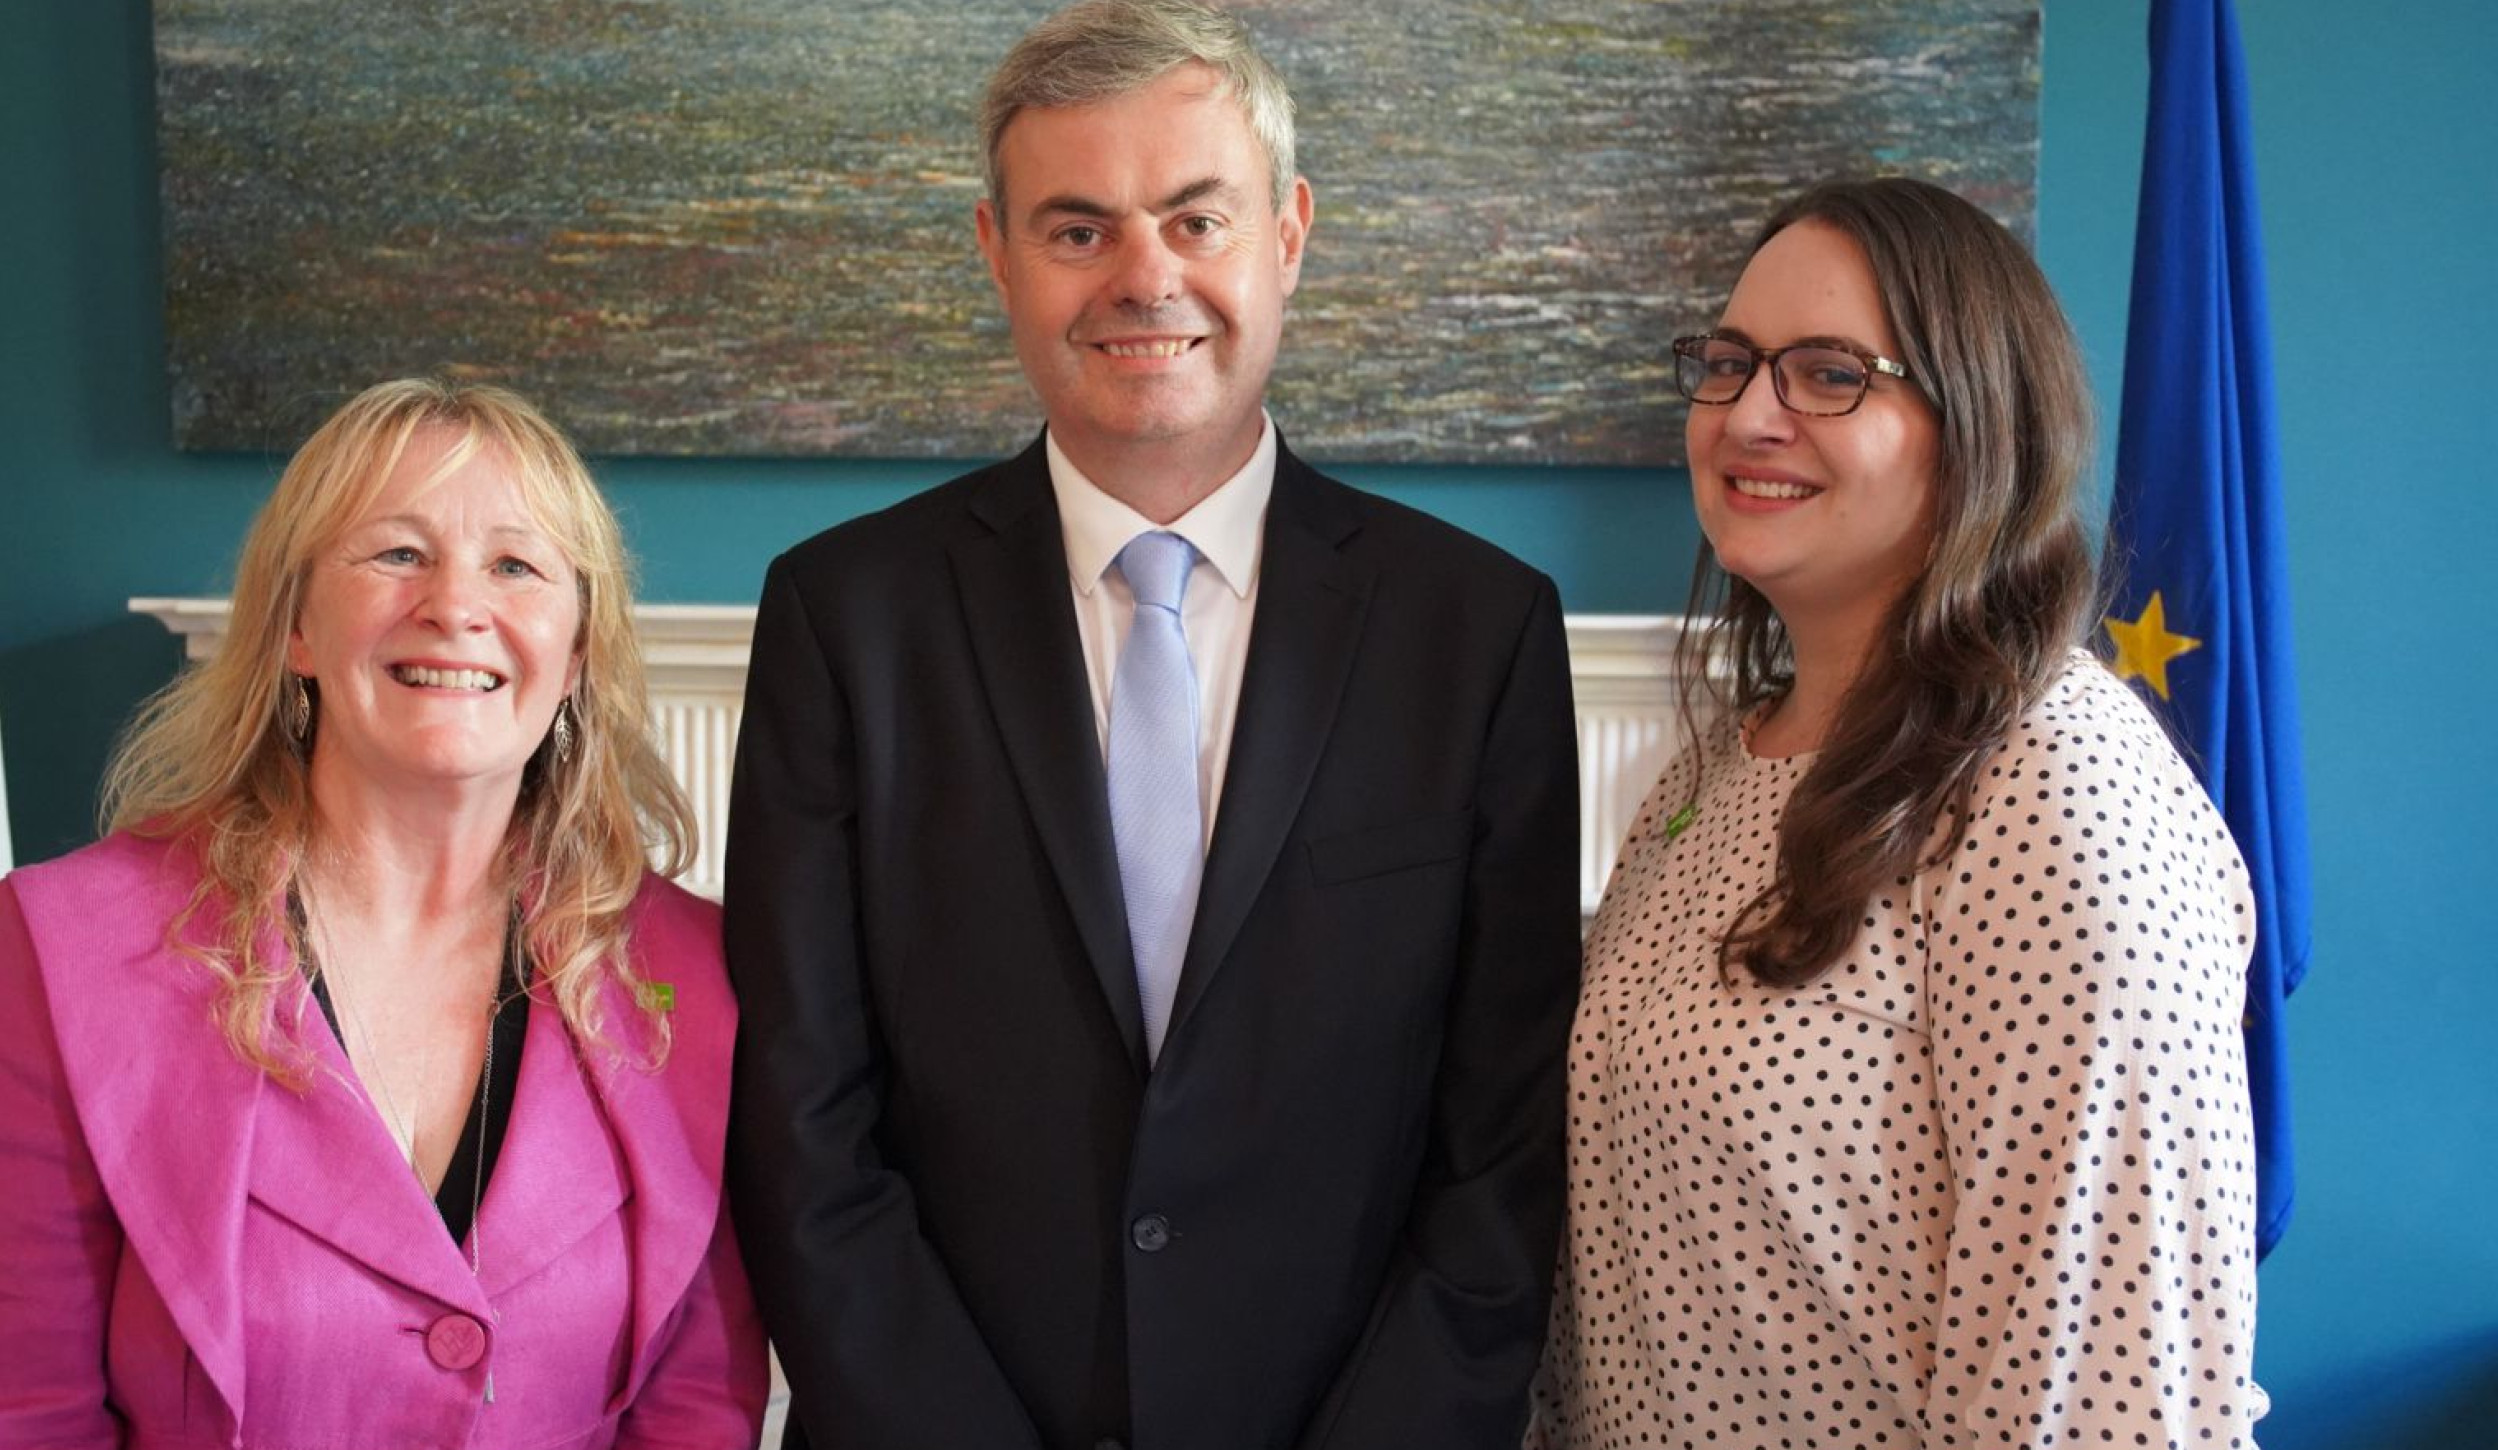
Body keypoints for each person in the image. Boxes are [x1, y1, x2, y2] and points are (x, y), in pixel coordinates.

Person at [721, 3, 1581, 1447]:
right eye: (1077, 231)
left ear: (1287, 230)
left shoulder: (1476, 632)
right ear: (995, 253)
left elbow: (1503, 1147)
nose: (1144, 277)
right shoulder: (842, 617)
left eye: (1195, 219)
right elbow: (803, 1127)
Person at [1527, 176, 2265, 1446]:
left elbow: (2102, 1393)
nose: (1752, 414)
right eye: (1730, 362)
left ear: (1980, 420)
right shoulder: (1714, 767)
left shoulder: (2054, 790)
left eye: (1829, 373)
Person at [0, 380, 769, 1448]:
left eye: (516, 565)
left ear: (578, 652)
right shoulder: (59, 944)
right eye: (396, 553)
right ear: (298, 627)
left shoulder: (702, 972)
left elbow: (692, 1413)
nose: (455, 604)